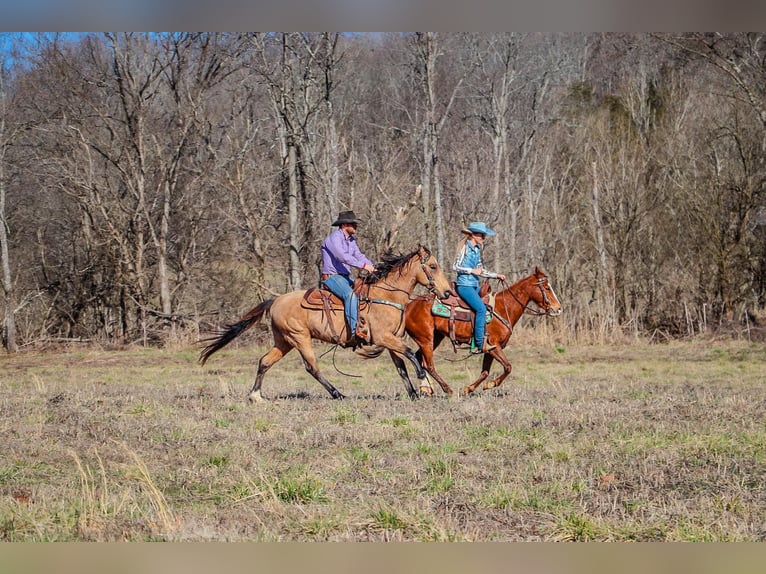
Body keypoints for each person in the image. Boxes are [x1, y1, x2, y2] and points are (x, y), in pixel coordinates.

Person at [321, 210, 375, 343]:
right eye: (353, 224)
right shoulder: (334, 239)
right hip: (332, 277)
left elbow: (359, 255)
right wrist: (363, 266)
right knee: (350, 295)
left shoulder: (351, 240)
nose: (356, 226)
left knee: (365, 290)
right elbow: (343, 257)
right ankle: (354, 331)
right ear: (344, 225)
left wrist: (372, 267)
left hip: (344, 277)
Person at [453, 221, 506, 353]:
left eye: (484, 236)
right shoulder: (464, 248)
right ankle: (480, 343)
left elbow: (480, 270)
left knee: (489, 305)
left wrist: (496, 275)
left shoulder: (477, 250)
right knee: (481, 309)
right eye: (481, 235)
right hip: (464, 285)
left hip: (474, 285)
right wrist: (471, 271)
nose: (483, 238)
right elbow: (455, 266)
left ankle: (481, 335)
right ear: (473, 235)